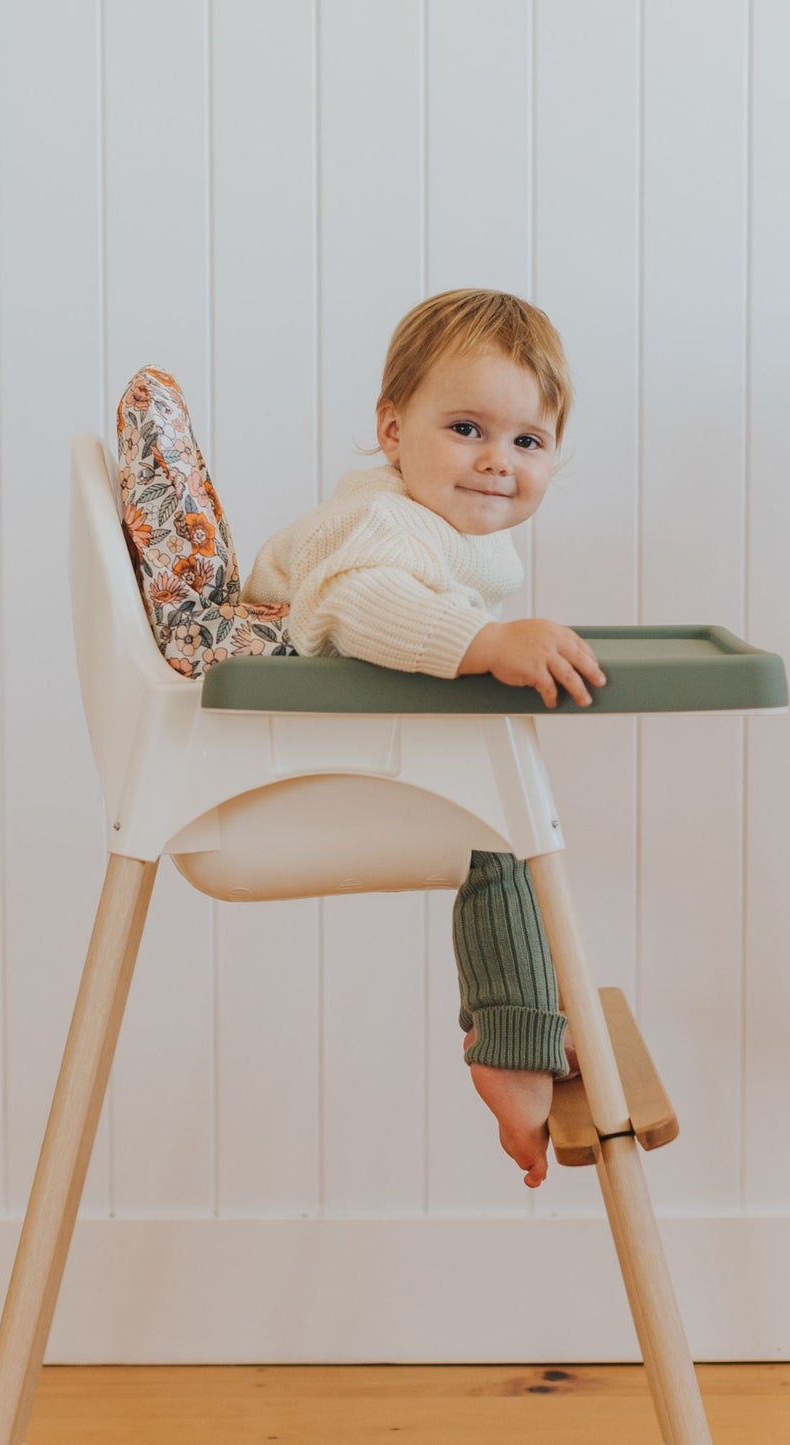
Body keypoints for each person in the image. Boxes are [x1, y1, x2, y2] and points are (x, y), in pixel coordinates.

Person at [242, 289, 607, 1188]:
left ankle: (522, 1019)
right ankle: (510, 1039)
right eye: (466, 428)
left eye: (528, 441)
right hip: (273, 770)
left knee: (506, 803)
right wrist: (486, 643)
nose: (496, 461)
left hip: (327, 747)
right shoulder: (379, 523)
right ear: (392, 428)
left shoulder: (431, 527)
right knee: (499, 823)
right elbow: (364, 606)